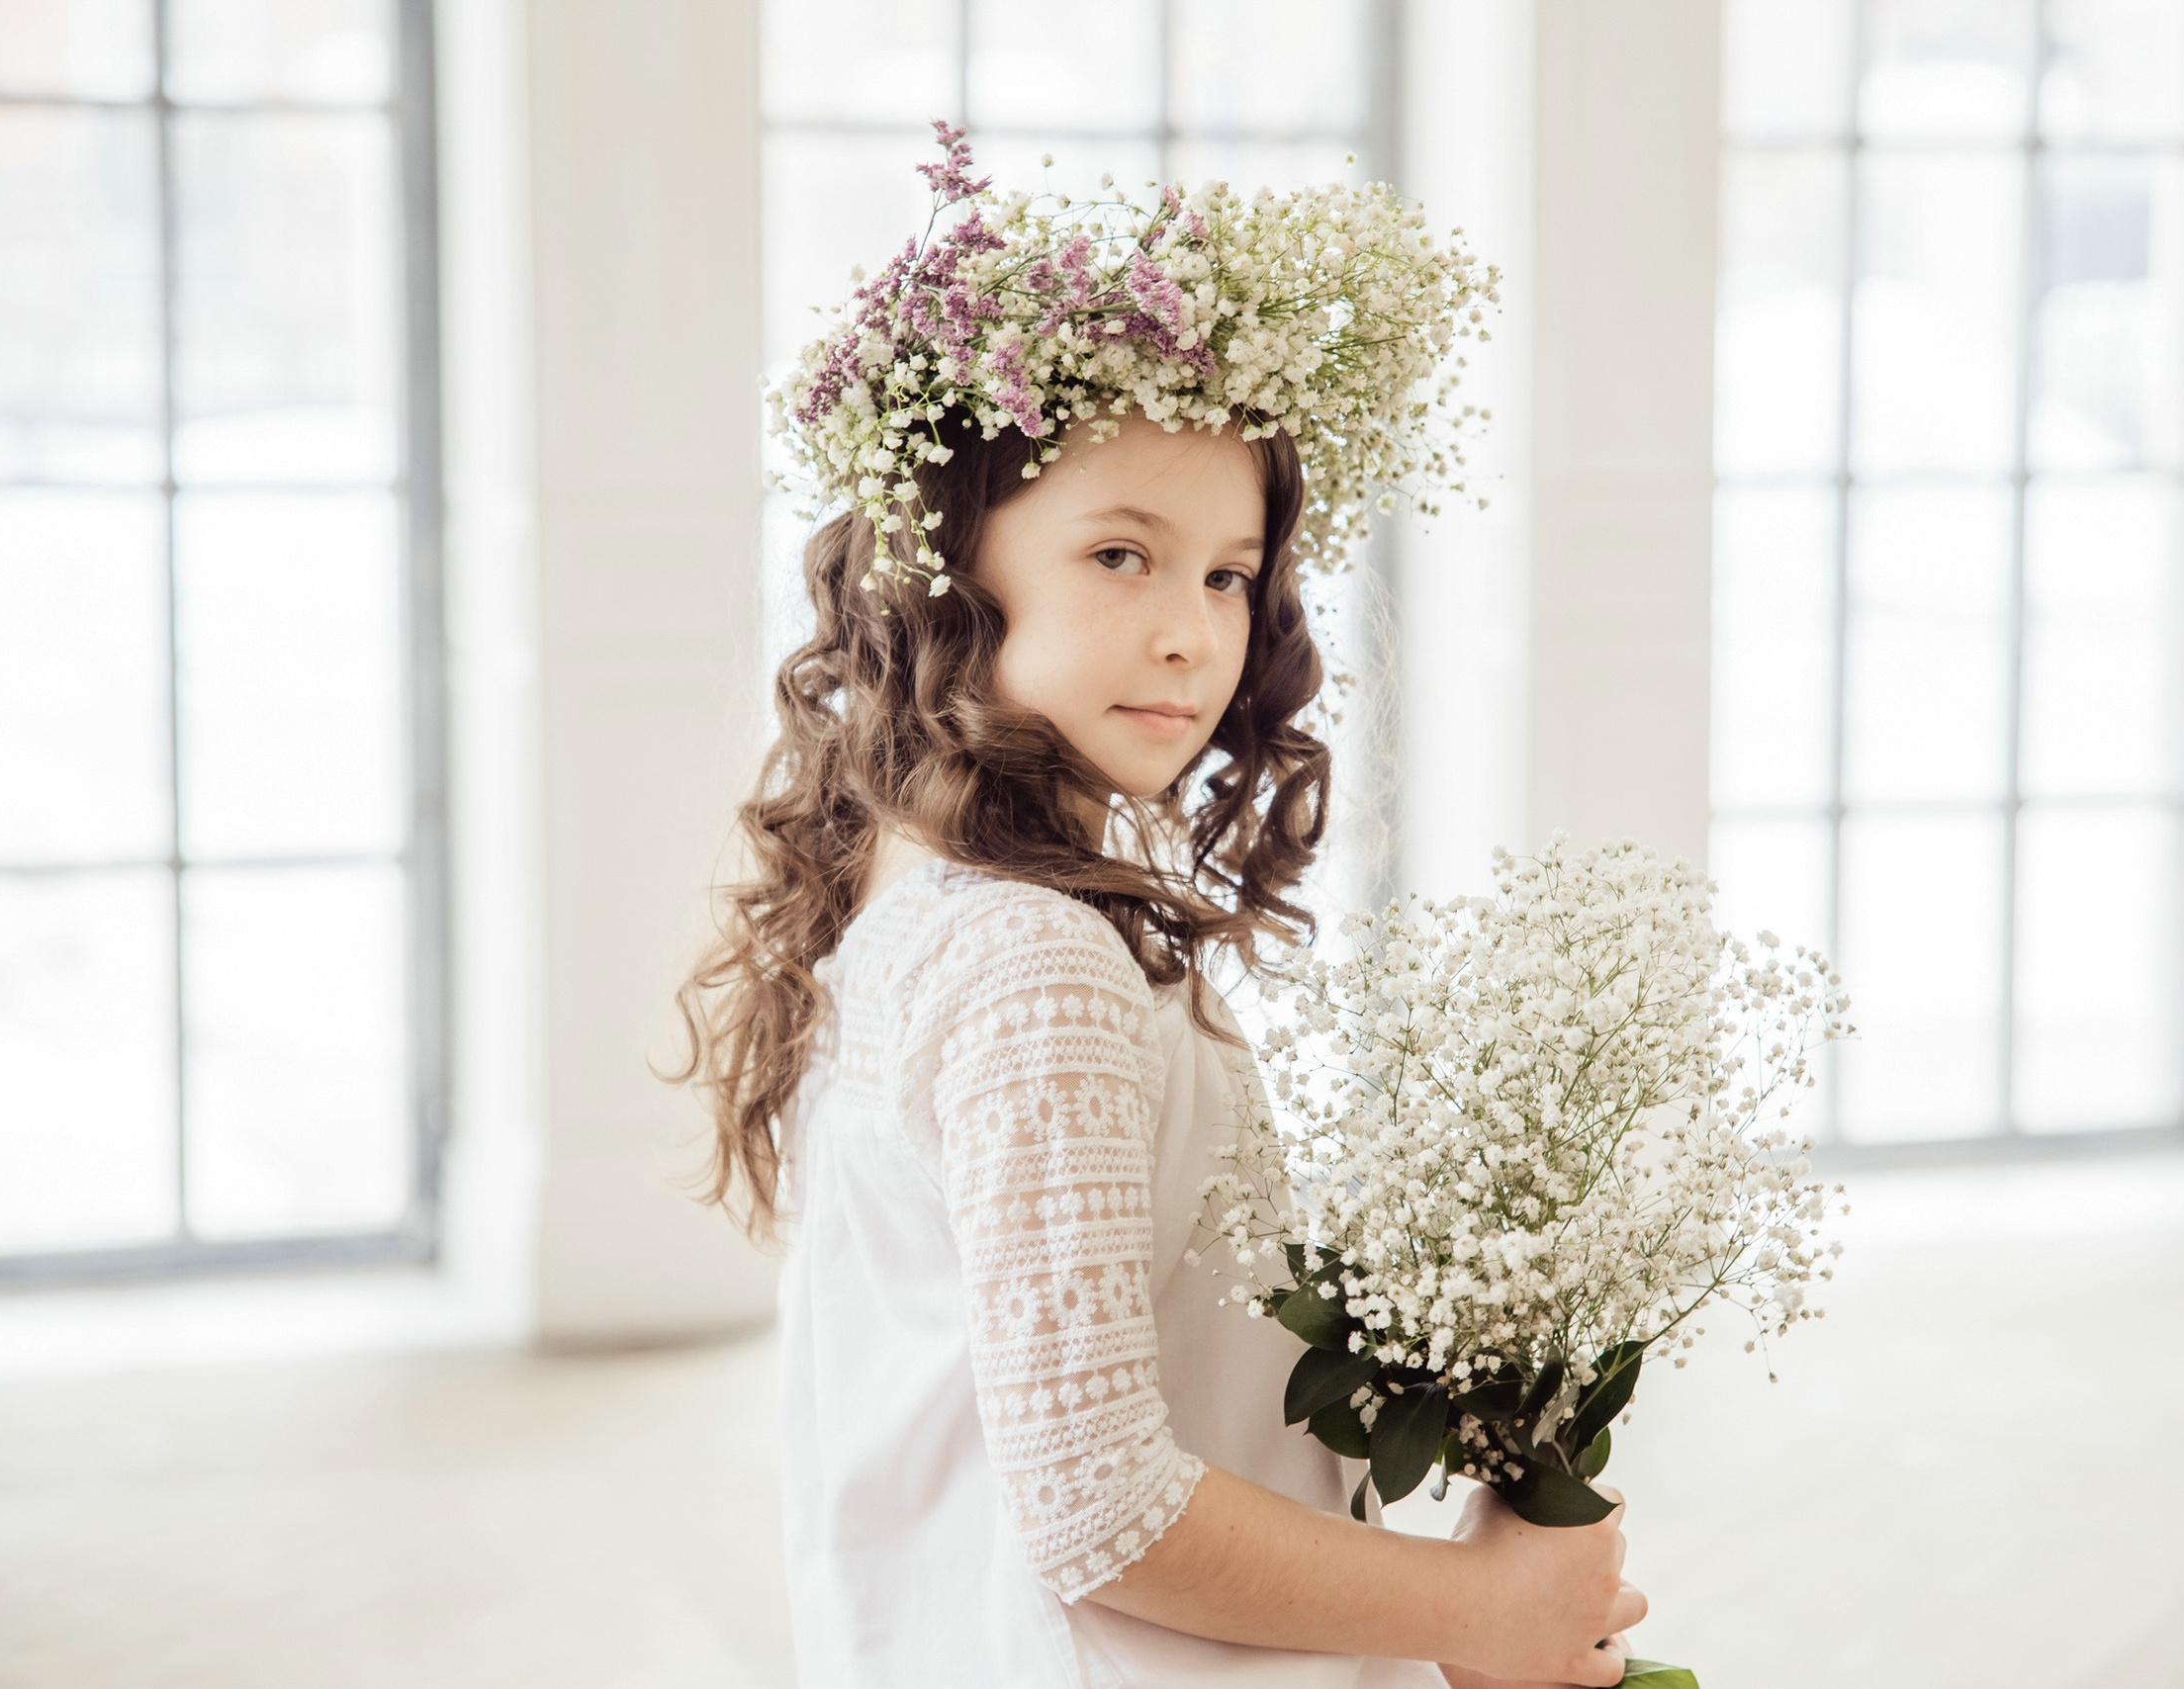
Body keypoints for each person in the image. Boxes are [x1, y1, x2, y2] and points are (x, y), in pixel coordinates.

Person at [677, 130, 1647, 1688]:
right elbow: (1103, 1512)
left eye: (1227, 576)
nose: (1194, 634)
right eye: (1122, 554)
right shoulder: (1029, 962)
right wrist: (1478, 1612)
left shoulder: (940, 889)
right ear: (946, 570)